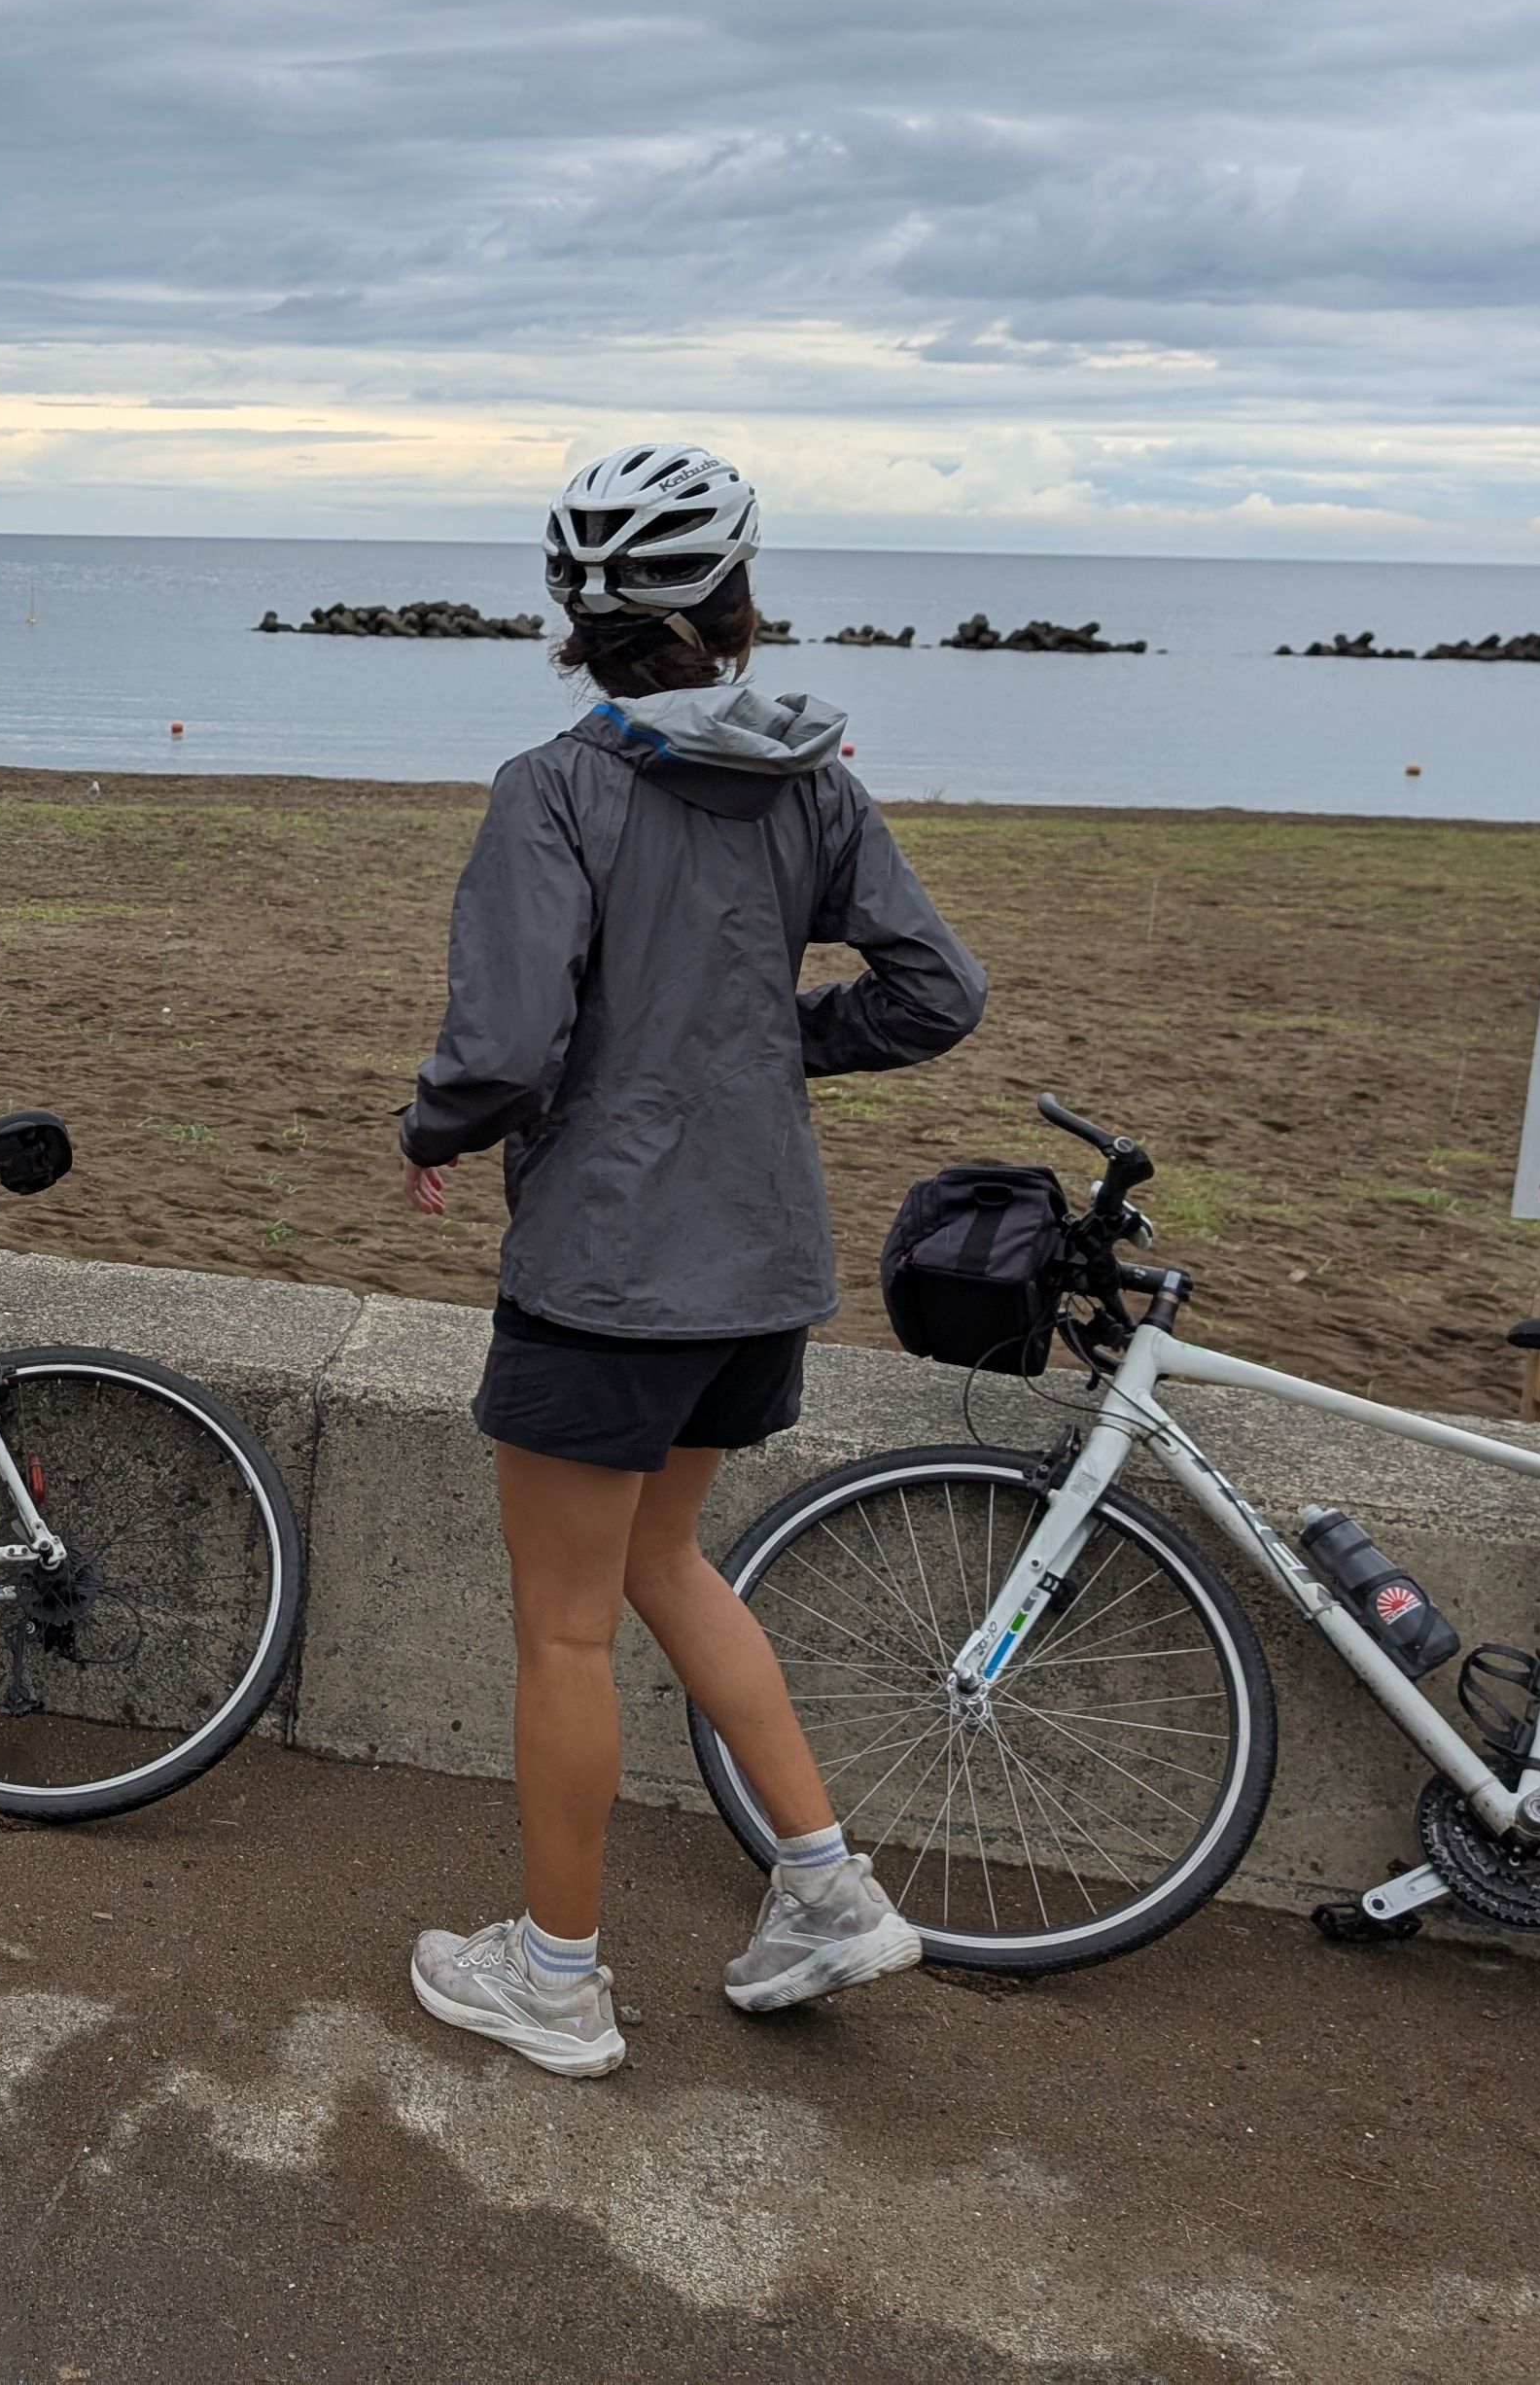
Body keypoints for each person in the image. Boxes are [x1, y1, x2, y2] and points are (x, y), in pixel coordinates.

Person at [398, 442, 985, 2079]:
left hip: (608, 1268)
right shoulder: (814, 780)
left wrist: (430, 1129)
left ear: (572, 620)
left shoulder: (558, 787)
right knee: (667, 1564)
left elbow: (506, 1045)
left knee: (565, 1626)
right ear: (734, 603)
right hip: (758, 1262)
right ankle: (823, 1886)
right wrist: (770, 1041)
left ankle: (560, 1979)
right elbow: (939, 991)